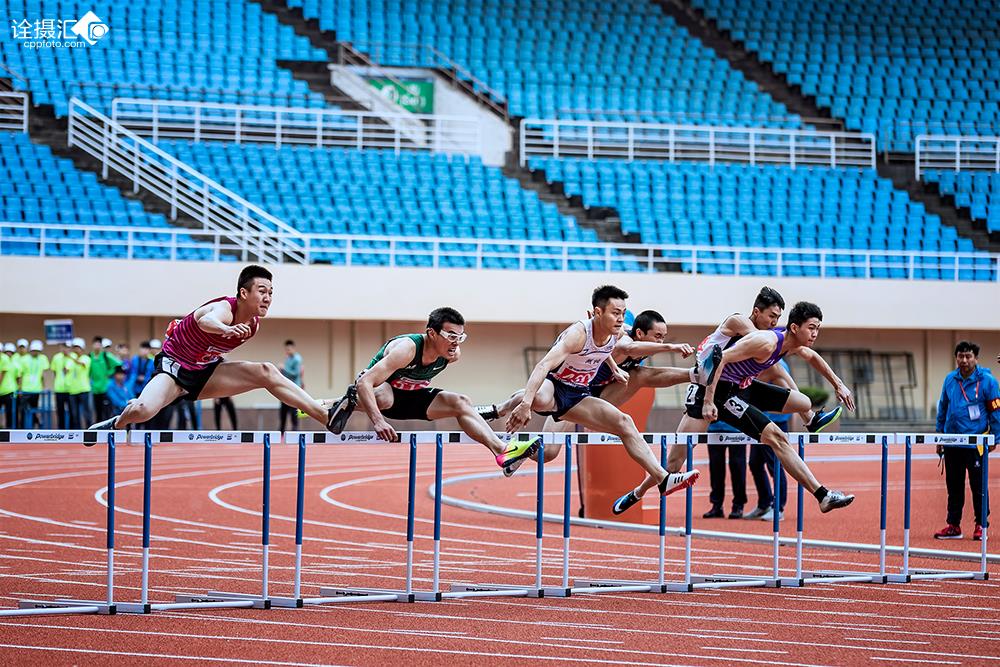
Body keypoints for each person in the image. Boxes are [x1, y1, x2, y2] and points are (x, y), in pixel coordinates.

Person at [615, 301, 855, 516]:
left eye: (818, 328)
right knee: (674, 463)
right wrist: (709, 401)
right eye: (811, 328)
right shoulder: (761, 338)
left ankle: (813, 436)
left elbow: (812, 357)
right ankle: (637, 493)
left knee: (803, 403)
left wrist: (839, 385)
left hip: (741, 388)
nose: (815, 334)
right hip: (715, 391)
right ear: (793, 327)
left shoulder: (788, 343)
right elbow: (718, 359)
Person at [88, 265, 338, 434]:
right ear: (243, 293)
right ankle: (116, 423)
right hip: (174, 369)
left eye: (271, 293)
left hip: (204, 373)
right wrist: (225, 329)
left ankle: (325, 416)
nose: (268, 298)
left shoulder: (253, 326)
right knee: (143, 410)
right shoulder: (224, 309)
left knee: (266, 371)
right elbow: (205, 321)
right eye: (262, 291)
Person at [502, 285, 699, 494]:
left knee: (625, 419)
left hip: (583, 396)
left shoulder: (614, 334)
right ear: (598, 313)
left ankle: (663, 479)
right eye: (615, 313)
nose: (620, 319)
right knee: (542, 416)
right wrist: (671, 347)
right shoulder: (593, 334)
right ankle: (501, 415)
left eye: (622, 314)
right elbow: (544, 365)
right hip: (560, 387)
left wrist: (614, 369)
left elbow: (606, 351)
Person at [326, 307, 541, 473]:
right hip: (381, 396)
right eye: (451, 336)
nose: (456, 343)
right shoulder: (407, 349)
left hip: (411, 399)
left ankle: (503, 451)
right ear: (431, 333)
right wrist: (378, 421)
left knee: (461, 402)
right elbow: (364, 382)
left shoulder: (452, 355)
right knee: (384, 396)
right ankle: (337, 403)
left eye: (460, 337)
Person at [933, 341, 999, 541]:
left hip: (976, 443)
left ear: (976, 358)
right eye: (960, 356)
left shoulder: (988, 381)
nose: (964, 360)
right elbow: (943, 407)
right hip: (952, 442)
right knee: (954, 486)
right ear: (956, 358)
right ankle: (953, 525)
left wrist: (995, 438)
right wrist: (939, 436)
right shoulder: (950, 379)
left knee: (978, 485)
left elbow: (996, 411)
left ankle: (981, 525)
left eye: (968, 356)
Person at [703, 418, 748, 519]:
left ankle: (738, 505)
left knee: (738, 467)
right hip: (714, 429)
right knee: (715, 469)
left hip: (737, 429)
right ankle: (717, 505)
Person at [17, 340, 50, 428]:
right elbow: (20, 375)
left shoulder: (43, 358)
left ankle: (34, 426)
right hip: (25, 389)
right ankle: (23, 428)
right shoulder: (24, 359)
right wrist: (20, 388)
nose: (35, 352)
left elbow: (44, 374)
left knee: (34, 408)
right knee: (23, 409)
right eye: (34, 350)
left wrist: (44, 386)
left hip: (36, 389)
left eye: (37, 350)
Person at [90, 337, 121, 423]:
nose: (97, 346)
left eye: (98, 344)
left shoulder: (106, 356)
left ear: (101, 345)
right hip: (94, 389)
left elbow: (118, 364)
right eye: (95, 344)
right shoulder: (90, 356)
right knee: (97, 411)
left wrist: (109, 372)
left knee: (106, 411)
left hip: (105, 388)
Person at [67, 337, 92, 429]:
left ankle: (90, 430)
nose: (76, 349)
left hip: (84, 389)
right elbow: (66, 370)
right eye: (74, 347)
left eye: (78, 347)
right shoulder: (70, 359)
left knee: (86, 412)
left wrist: (71, 357)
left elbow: (82, 363)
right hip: (72, 390)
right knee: (74, 414)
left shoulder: (86, 358)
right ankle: (77, 432)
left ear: (82, 349)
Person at [279, 339, 304, 432]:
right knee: (283, 410)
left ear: (293, 348)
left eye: (289, 349)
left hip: (294, 388)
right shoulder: (288, 358)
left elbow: (295, 374)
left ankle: (295, 431)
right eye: (286, 349)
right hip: (286, 387)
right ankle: (281, 430)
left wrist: (284, 368)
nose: (287, 351)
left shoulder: (297, 359)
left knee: (293, 410)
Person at [50, 341, 72, 428]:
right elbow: (54, 372)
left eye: (67, 347)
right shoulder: (56, 357)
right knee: (60, 411)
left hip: (71, 389)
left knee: (72, 411)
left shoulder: (73, 357)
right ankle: (61, 429)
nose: (65, 349)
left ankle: (72, 430)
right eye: (63, 347)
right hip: (59, 389)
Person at [0, 343, 18, 428]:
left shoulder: (4, 359)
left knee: (10, 413)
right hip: (2, 391)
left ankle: (10, 430)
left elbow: (1, 375)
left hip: (8, 391)